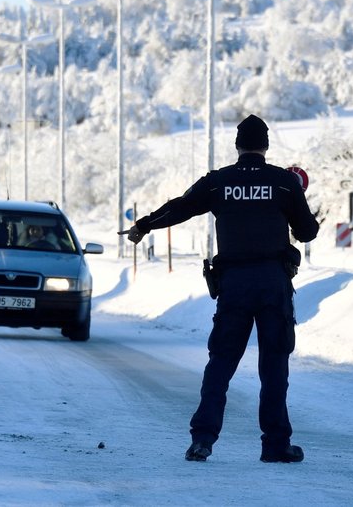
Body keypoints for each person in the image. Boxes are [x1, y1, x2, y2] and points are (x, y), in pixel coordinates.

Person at [123, 114, 319, 464]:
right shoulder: (284, 183)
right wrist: (296, 196)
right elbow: (307, 233)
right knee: (274, 366)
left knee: (221, 363)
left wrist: (144, 225)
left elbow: (180, 207)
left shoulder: (219, 183)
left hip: (234, 285)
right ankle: (275, 445)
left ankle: (202, 440)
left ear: (237, 146)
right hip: (273, 284)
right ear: (266, 145)